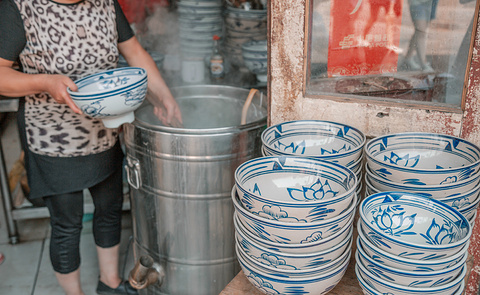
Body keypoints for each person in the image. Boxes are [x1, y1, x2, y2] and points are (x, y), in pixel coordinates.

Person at [0, 0, 182, 295]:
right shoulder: (19, 8)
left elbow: (134, 51)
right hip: (52, 139)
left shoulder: (105, 3)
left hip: (104, 131)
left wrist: (164, 96)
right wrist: (46, 83)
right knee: (67, 224)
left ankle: (109, 283)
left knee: (109, 209)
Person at [403, 0, 439, 71]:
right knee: (421, 31)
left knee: (419, 31)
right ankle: (424, 64)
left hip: (431, 3)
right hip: (417, 3)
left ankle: (408, 57)